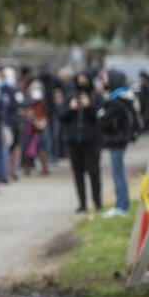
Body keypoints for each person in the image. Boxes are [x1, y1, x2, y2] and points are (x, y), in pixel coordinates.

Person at [60, 70, 103, 213]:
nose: (81, 82)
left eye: (84, 79)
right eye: (79, 79)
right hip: (74, 142)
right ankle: (82, 203)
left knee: (93, 172)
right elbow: (61, 117)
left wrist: (88, 106)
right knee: (78, 174)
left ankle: (97, 202)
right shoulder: (70, 97)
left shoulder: (96, 97)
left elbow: (99, 117)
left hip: (91, 142)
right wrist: (71, 108)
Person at [98, 69, 137, 217]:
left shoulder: (117, 99)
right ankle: (121, 204)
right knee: (117, 173)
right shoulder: (121, 96)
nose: (104, 80)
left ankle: (122, 206)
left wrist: (101, 111)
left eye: (106, 77)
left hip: (117, 140)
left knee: (117, 173)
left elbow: (104, 118)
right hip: (118, 140)